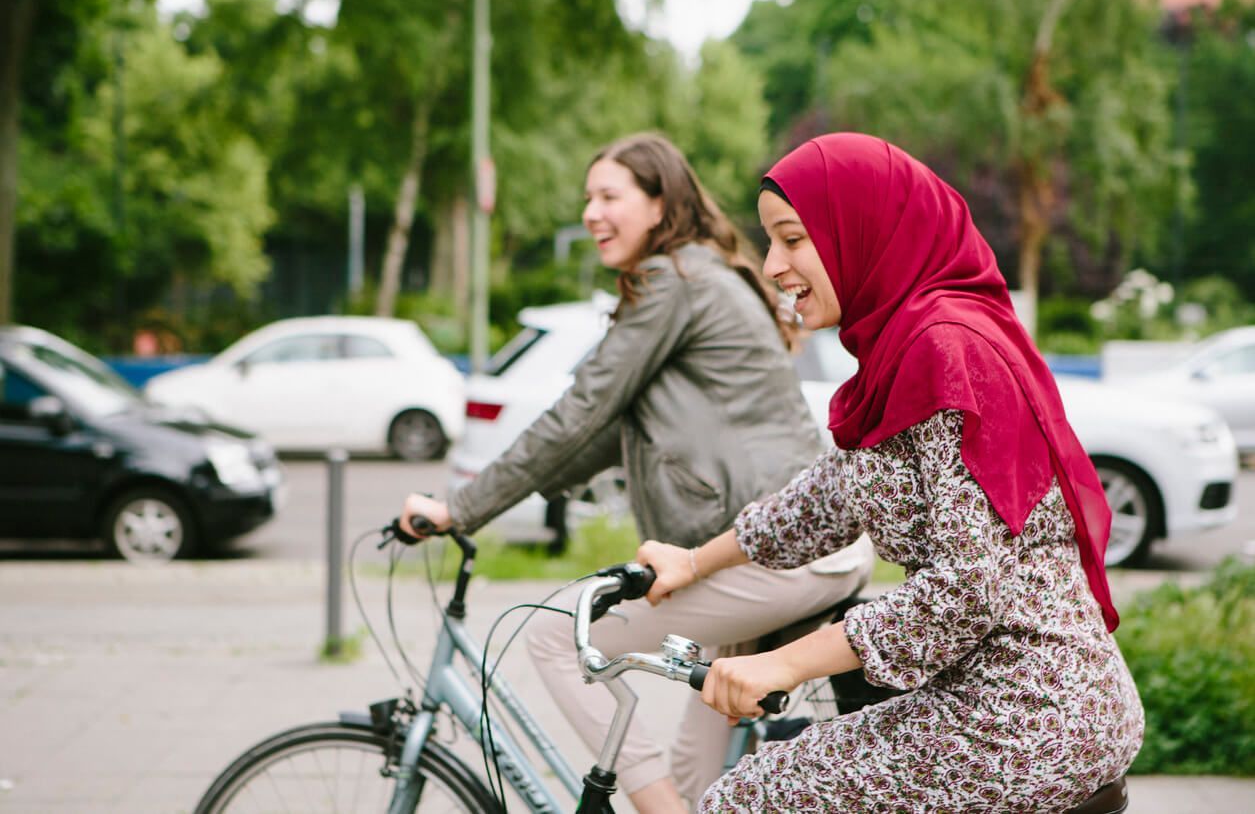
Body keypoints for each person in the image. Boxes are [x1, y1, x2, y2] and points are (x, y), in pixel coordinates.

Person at [640, 133, 1145, 812]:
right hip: (1006, 700)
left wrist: (783, 662)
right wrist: (693, 561)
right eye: (770, 241)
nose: (771, 265)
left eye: (792, 239)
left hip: (1027, 714)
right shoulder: (903, 349)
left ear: (862, 230)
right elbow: (826, 499)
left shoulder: (945, 350)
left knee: (751, 795)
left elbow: (966, 590)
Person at [399, 132, 874, 813]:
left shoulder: (673, 281)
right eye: (587, 198)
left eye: (608, 196)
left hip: (773, 554)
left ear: (658, 205)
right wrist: (492, 502)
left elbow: (579, 411)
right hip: (782, 550)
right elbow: (601, 436)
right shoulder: (697, 274)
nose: (591, 212)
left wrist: (461, 508)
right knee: (694, 776)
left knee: (553, 634)